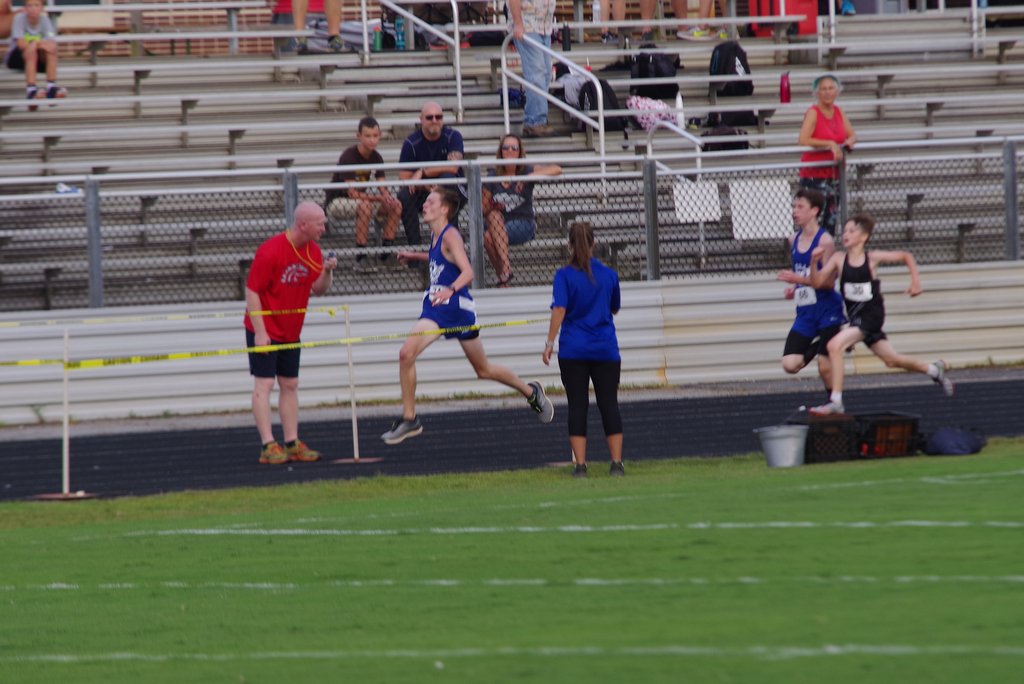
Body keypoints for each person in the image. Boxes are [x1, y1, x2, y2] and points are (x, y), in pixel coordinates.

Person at [381, 186, 555, 445]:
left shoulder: (450, 235)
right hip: (436, 307)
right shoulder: (436, 235)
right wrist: (416, 255)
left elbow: (468, 272)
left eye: (431, 202)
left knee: (483, 370)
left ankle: (531, 392)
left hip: (456, 307)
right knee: (406, 354)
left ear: (444, 209)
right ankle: (410, 418)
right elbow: (441, 259)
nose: (424, 205)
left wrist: (450, 290)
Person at [805, 214, 954, 415]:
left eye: (852, 231)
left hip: (871, 316)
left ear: (864, 236)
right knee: (891, 360)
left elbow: (906, 256)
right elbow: (817, 282)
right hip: (855, 319)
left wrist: (916, 282)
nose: (846, 234)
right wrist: (814, 262)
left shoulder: (872, 258)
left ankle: (836, 401)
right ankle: (934, 370)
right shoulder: (838, 259)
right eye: (845, 231)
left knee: (833, 346)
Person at [244, 201, 338, 464]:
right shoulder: (271, 251)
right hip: (265, 328)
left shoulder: (313, 251)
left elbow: (319, 289)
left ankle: (292, 441)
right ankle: (268, 445)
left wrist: (327, 271)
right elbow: (252, 292)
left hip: (290, 331)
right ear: (303, 224)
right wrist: (260, 332)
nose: (323, 228)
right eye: (319, 223)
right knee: (264, 384)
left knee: (290, 384)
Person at [542, 222, 624, 478]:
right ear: (594, 243)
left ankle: (580, 465)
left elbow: (559, 309)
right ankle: (616, 463)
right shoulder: (609, 275)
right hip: (605, 348)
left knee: (577, 405)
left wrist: (549, 343)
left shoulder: (563, 276)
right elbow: (615, 307)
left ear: (569, 245)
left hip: (574, 349)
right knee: (609, 404)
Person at [775, 188, 846, 397]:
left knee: (824, 367)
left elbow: (828, 282)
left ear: (814, 211)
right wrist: (795, 289)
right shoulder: (793, 239)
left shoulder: (825, 241)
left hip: (827, 309)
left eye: (800, 207)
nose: (794, 211)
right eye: (794, 207)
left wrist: (799, 280)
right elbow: (803, 274)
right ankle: (827, 342)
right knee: (790, 364)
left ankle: (834, 404)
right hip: (806, 311)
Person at [482, 133, 562, 287]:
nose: (510, 151)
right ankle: (505, 273)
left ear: (520, 151)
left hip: (522, 223)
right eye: (506, 147)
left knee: (489, 234)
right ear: (501, 152)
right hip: (495, 225)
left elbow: (556, 169)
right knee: (490, 225)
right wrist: (493, 205)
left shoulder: (526, 170)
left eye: (514, 148)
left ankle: (503, 275)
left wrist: (527, 178)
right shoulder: (493, 175)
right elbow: (484, 210)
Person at [325, 116, 401, 274]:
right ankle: (361, 257)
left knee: (396, 205)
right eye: (367, 136)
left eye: (375, 135)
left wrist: (388, 198)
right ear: (359, 136)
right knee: (365, 206)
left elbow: (382, 187)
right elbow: (352, 193)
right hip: (337, 201)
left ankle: (386, 253)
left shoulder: (376, 157)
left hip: (360, 202)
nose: (372, 140)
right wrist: (379, 198)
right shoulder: (349, 156)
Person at [397, 102, 465, 246]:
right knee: (404, 194)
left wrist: (422, 171)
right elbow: (404, 178)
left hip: (453, 191)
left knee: (447, 180)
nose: (434, 120)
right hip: (423, 191)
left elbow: (453, 168)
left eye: (438, 117)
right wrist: (425, 185)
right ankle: (415, 247)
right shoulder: (411, 143)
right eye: (429, 117)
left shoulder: (453, 136)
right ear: (421, 119)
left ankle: (450, 243)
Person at [798, 73, 857, 236]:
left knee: (831, 219)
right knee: (812, 219)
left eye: (831, 88)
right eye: (823, 89)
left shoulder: (839, 111)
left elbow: (852, 134)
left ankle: (826, 250)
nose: (827, 92)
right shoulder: (813, 112)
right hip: (814, 175)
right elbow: (803, 139)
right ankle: (808, 250)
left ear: (836, 92)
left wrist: (849, 142)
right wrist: (829, 143)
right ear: (817, 93)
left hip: (834, 175)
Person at [507, 0, 558, 138]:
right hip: (528, 26)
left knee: (546, 74)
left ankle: (536, 118)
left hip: (544, 27)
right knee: (537, 73)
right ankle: (535, 121)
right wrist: (518, 24)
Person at [4, 0, 65, 107]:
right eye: (30, 5)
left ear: (42, 8)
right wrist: (36, 45)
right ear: (25, 8)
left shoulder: (44, 20)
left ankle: (51, 87)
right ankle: (31, 89)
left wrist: (35, 43)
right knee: (31, 51)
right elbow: (21, 44)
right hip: (16, 57)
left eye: (36, 5)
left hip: (37, 55)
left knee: (51, 50)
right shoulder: (19, 19)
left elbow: (51, 43)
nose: (33, 9)